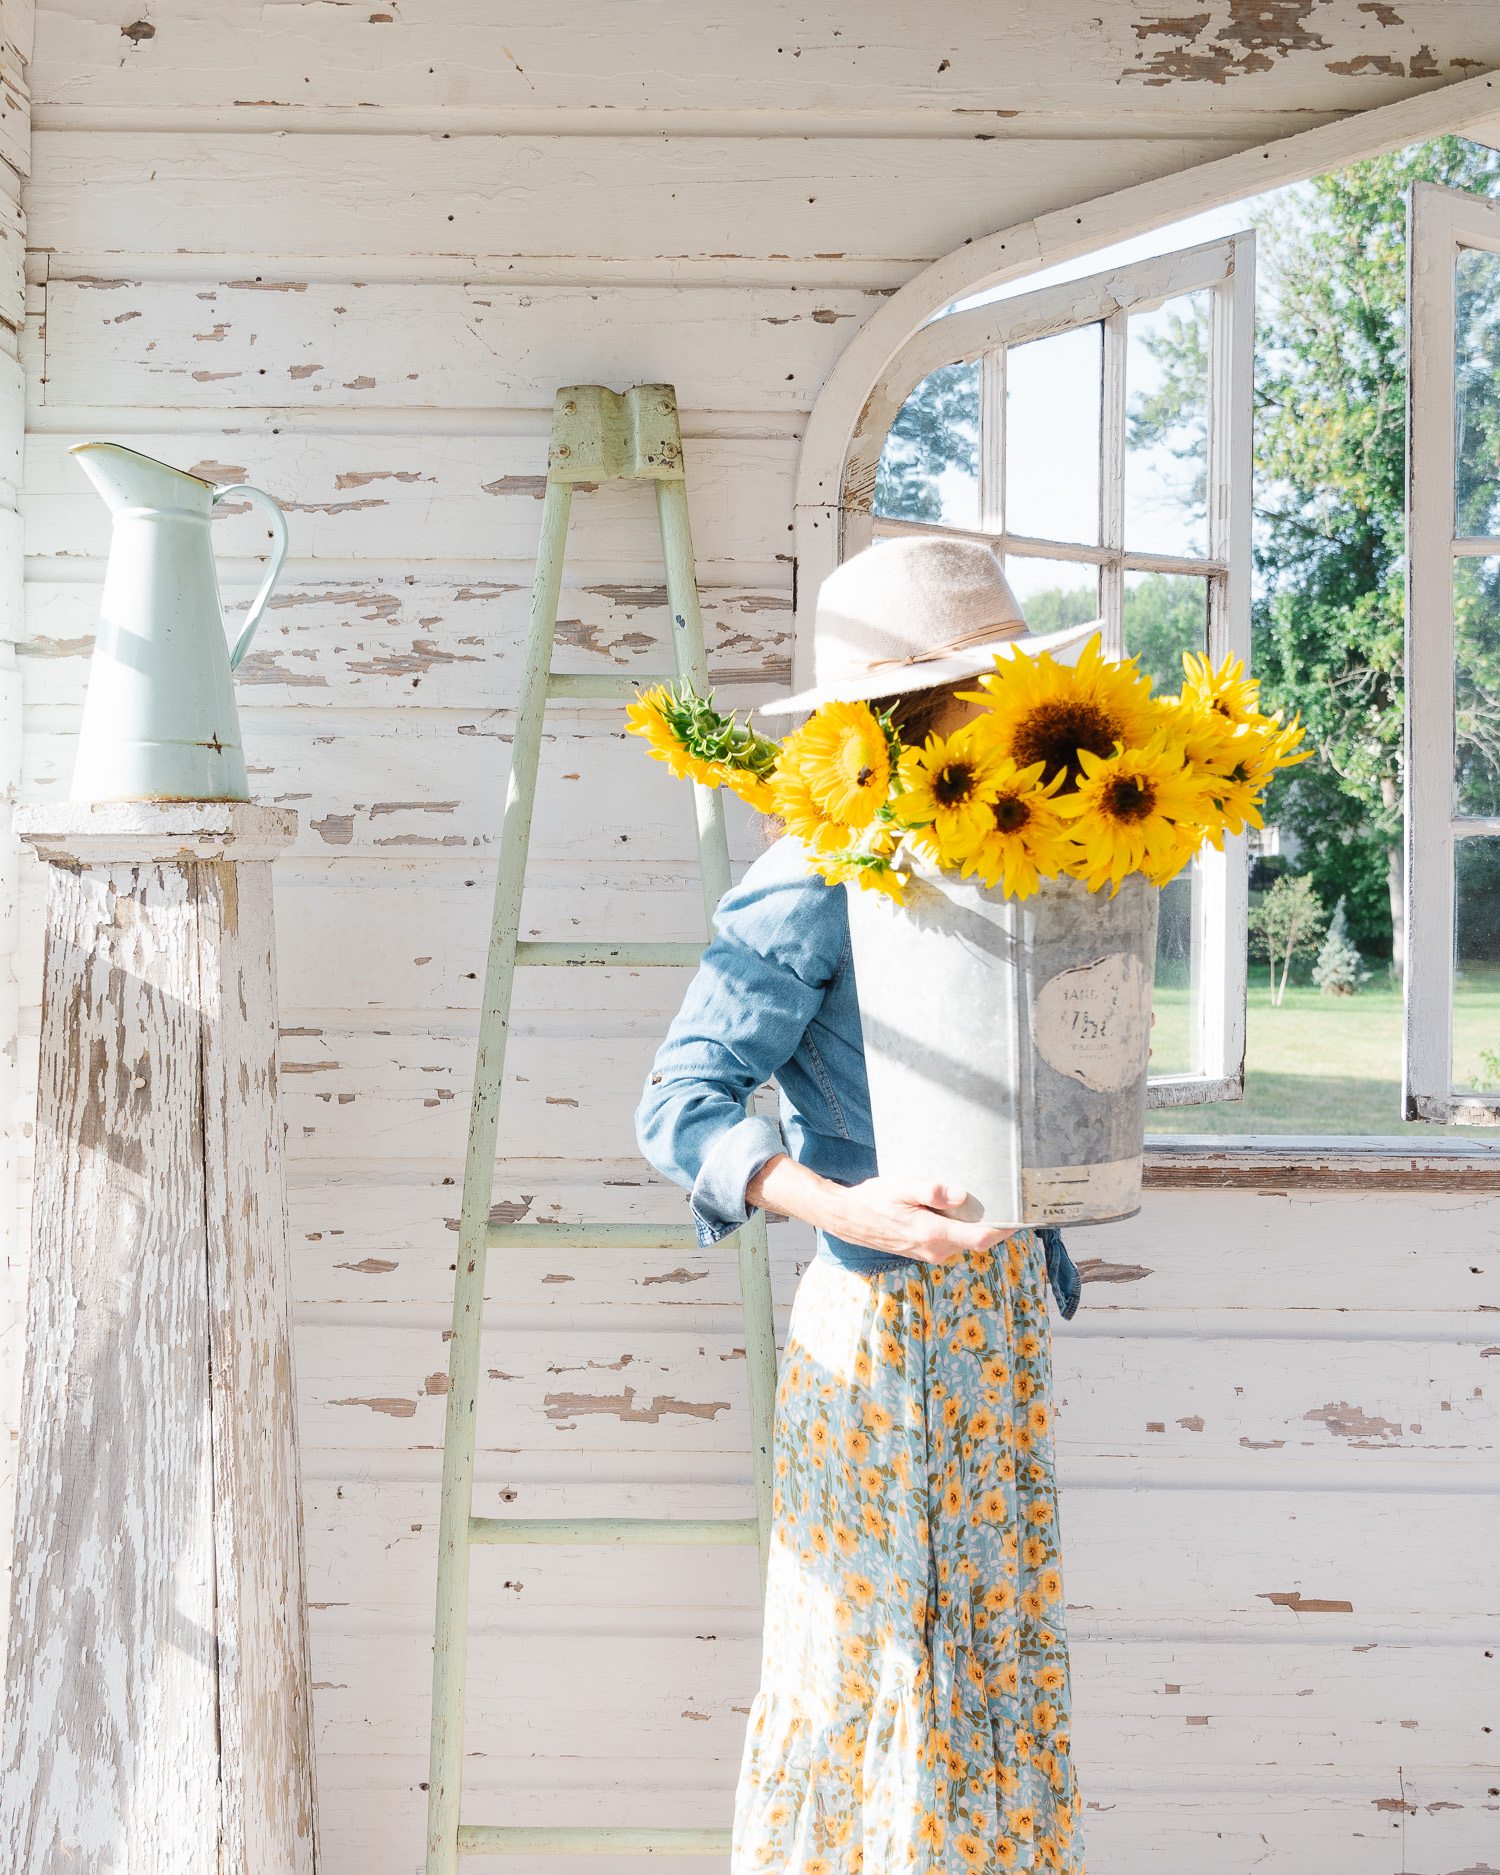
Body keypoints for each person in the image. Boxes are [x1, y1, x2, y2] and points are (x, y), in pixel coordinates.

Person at [635, 537, 1095, 1875]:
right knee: (888, 1661)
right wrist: (847, 1200)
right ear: (913, 715)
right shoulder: (816, 873)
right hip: (888, 1332)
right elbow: (682, 1104)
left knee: (989, 1648)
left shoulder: (1008, 851)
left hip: (994, 1323)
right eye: (982, 691)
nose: (1011, 715)